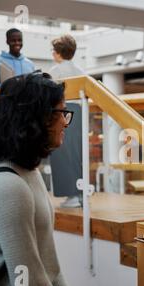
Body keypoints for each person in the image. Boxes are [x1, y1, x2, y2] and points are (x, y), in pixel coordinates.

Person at [0, 71, 75, 286]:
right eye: (61, 112)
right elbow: (27, 285)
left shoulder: (29, 174)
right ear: (37, 118)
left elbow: (51, 271)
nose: (65, 122)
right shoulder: (9, 187)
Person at [48, 34, 85, 208]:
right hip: (78, 111)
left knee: (61, 153)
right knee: (77, 153)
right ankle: (80, 194)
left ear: (57, 53)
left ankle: (71, 195)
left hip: (61, 113)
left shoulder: (54, 71)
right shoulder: (80, 71)